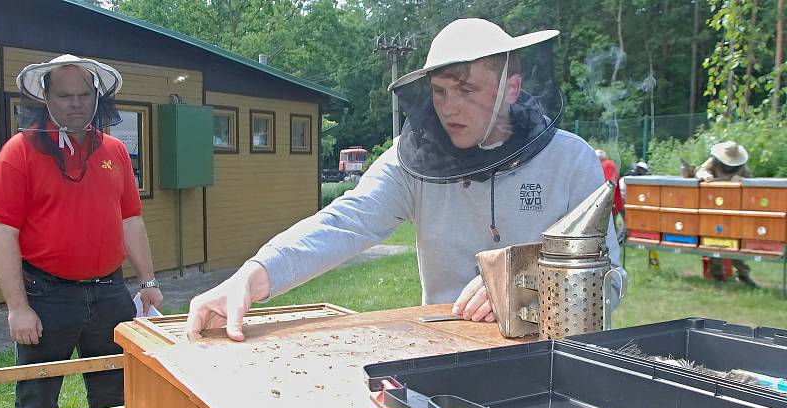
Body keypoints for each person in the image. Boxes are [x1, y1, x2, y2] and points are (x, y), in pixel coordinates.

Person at [185, 18, 622, 341]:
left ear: (511, 88)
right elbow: (346, 221)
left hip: (552, 359)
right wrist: (252, 276)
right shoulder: (415, 159)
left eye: (467, 90)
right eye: (439, 92)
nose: (449, 108)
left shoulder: (571, 160)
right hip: (446, 353)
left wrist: (530, 290)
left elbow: (611, 280)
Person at [0, 54, 163, 408]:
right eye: (65, 95)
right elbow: (0, 233)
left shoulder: (115, 151)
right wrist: (17, 308)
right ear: (45, 97)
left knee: (118, 396)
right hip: (46, 297)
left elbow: (131, 219)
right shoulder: (19, 152)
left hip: (110, 294)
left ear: (97, 96)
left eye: (84, 93)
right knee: (37, 406)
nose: (76, 103)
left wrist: (148, 282)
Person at [695, 141, 756, 287]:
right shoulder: (713, 162)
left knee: (735, 243)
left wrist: (743, 180)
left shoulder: (742, 168)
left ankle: (743, 275)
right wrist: (705, 175)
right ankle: (717, 275)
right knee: (713, 241)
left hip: (734, 209)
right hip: (713, 207)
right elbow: (700, 170)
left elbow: (753, 182)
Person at [596, 149, 622, 221]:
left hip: (609, 203)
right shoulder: (603, 165)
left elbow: (610, 183)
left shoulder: (608, 164)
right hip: (605, 203)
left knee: (609, 228)